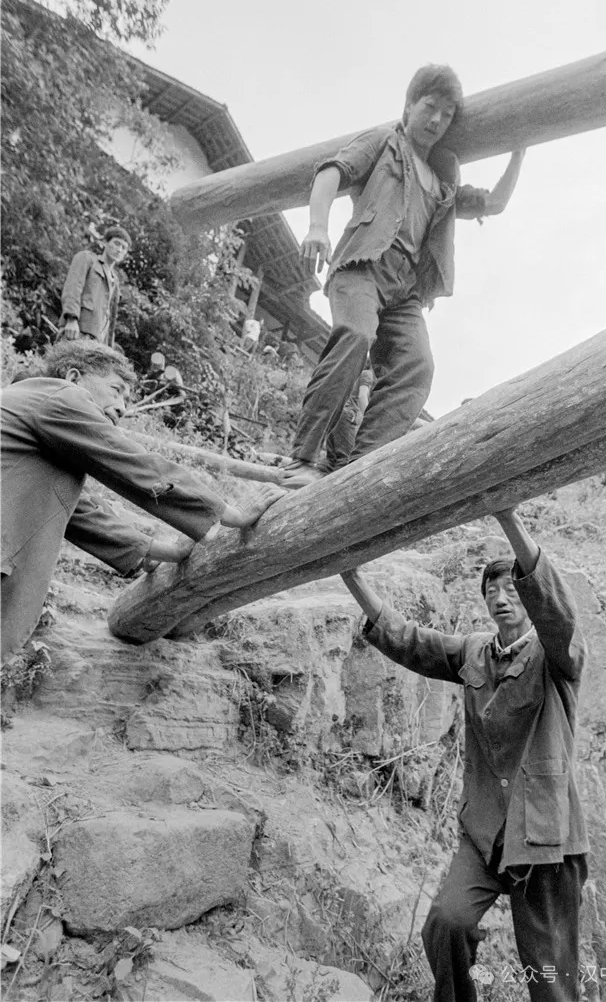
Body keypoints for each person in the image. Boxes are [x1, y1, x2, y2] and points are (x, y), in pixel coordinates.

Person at [342, 507, 588, 1002]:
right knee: (446, 924)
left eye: (512, 590)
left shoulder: (556, 655)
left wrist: (507, 516)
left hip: (543, 835)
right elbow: (410, 641)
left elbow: (557, 614)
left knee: (550, 973)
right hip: (483, 832)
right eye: (491, 591)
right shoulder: (475, 651)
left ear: (530, 598)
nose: (500, 599)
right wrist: (351, 574)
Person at [282, 65, 525, 488]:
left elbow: (496, 203)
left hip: (404, 292)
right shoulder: (384, 141)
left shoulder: (444, 177)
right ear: (409, 106)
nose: (436, 120)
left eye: (446, 115)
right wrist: (318, 226)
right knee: (356, 337)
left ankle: (357, 470)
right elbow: (330, 173)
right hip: (361, 268)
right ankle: (301, 456)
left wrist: (518, 151)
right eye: (429, 108)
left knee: (417, 366)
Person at [1, 341, 285, 661]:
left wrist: (165, 551)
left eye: (127, 398)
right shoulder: (60, 395)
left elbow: (80, 516)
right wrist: (228, 512)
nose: (123, 407)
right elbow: (134, 464)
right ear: (74, 376)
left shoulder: (32, 421)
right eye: (116, 389)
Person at [59, 226, 131, 346]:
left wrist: (108, 347)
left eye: (124, 248)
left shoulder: (115, 281)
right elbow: (73, 288)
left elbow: (111, 319)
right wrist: (72, 319)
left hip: (97, 342)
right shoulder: (87, 259)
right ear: (105, 243)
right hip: (76, 331)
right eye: (117, 244)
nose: (119, 249)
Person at [323, 360, 374, 473]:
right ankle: (335, 489)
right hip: (347, 414)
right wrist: (369, 419)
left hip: (336, 413)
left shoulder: (356, 374)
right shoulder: (368, 374)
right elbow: (362, 396)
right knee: (345, 459)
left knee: (331, 459)